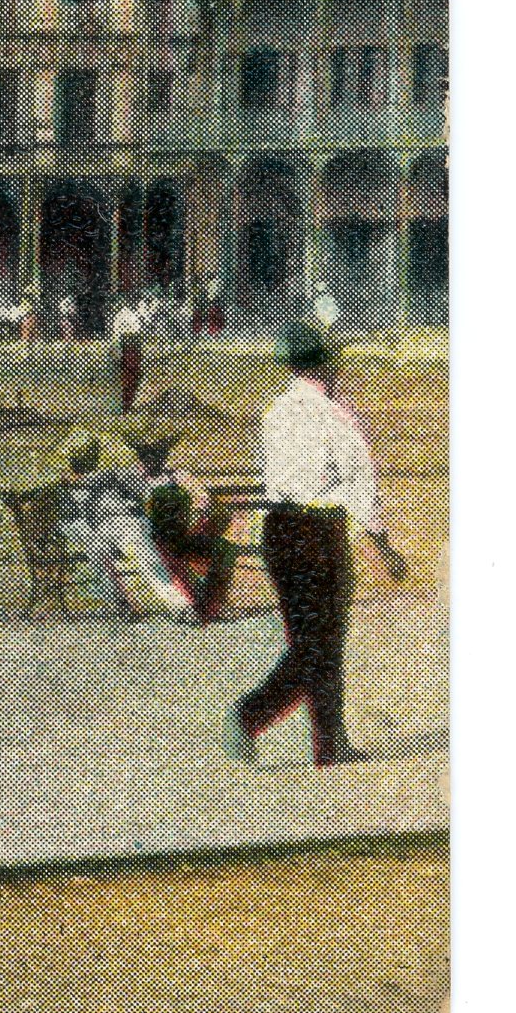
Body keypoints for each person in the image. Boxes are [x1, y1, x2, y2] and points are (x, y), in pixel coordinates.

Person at [228, 322, 408, 768]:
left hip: (279, 529)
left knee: (309, 637)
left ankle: (327, 741)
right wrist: (383, 543)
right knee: (322, 641)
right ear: (326, 363)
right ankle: (258, 715)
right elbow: (361, 483)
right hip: (319, 531)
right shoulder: (337, 414)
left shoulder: (277, 410)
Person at [52, 429, 195, 618]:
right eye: (78, 458)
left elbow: (142, 489)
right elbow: (69, 521)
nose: (82, 462)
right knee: (98, 551)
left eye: (87, 457)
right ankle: (123, 605)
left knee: (144, 554)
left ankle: (179, 606)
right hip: (99, 531)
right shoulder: (65, 488)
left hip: (126, 524)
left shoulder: (111, 475)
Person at [135, 438, 236, 625]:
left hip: (185, 534)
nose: (151, 461)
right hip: (152, 539)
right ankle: (192, 605)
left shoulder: (179, 476)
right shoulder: (134, 482)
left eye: (157, 455)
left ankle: (210, 606)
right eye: (146, 456)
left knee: (225, 549)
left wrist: (198, 523)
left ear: (163, 457)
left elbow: (204, 501)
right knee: (165, 549)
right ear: (140, 458)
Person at [112, 295, 149, 414]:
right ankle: (125, 406)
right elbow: (117, 335)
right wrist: (118, 353)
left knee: (135, 377)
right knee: (128, 378)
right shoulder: (122, 315)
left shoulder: (139, 313)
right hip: (128, 346)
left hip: (134, 346)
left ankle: (128, 405)